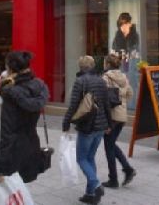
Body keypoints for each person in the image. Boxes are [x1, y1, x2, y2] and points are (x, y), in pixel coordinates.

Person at [0, 51, 49, 184]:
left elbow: (7, 131)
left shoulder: (10, 92)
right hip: (32, 145)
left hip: (12, 151)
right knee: (22, 187)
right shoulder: (39, 85)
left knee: (9, 189)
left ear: (11, 69)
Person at [62, 55, 112, 205]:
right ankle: (90, 194)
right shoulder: (101, 81)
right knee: (90, 158)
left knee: (82, 159)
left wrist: (66, 123)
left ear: (80, 67)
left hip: (87, 126)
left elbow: (73, 105)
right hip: (101, 126)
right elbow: (107, 104)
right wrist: (109, 124)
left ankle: (96, 185)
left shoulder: (80, 81)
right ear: (92, 66)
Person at [101, 54, 136, 188]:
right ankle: (127, 170)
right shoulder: (124, 77)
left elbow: (102, 97)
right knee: (111, 144)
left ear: (108, 64)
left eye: (105, 62)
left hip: (111, 116)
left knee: (109, 147)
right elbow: (130, 93)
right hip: (121, 116)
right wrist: (122, 103)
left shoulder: (106, 77)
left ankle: (114, 178)